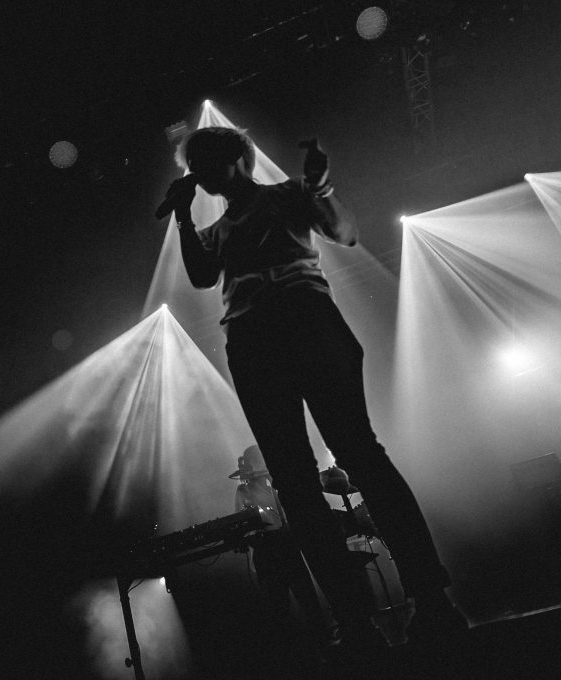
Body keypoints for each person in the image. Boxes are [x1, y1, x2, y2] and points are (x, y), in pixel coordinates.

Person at [167, 126, 466, 660]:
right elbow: (201, 276)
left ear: (235, 157)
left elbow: (345, 233)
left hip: (307, 320)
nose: (198, 174)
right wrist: (184, 218)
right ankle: (355, 623)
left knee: (360, 456)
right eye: (193, 166)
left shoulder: (289, 195)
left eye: (204, 161)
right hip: (252, 341)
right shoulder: (215, 231)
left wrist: (321, 188)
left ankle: (431, 599)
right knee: (296, 485)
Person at [231, 445, 339, 672]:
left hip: (288, 544)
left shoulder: (277, 486)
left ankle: (326, 648)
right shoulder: (243, 491)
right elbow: (241, 525)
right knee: (279, 607)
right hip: (267, 549)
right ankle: (291, 660)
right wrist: (252, 536)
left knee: (308, 598)